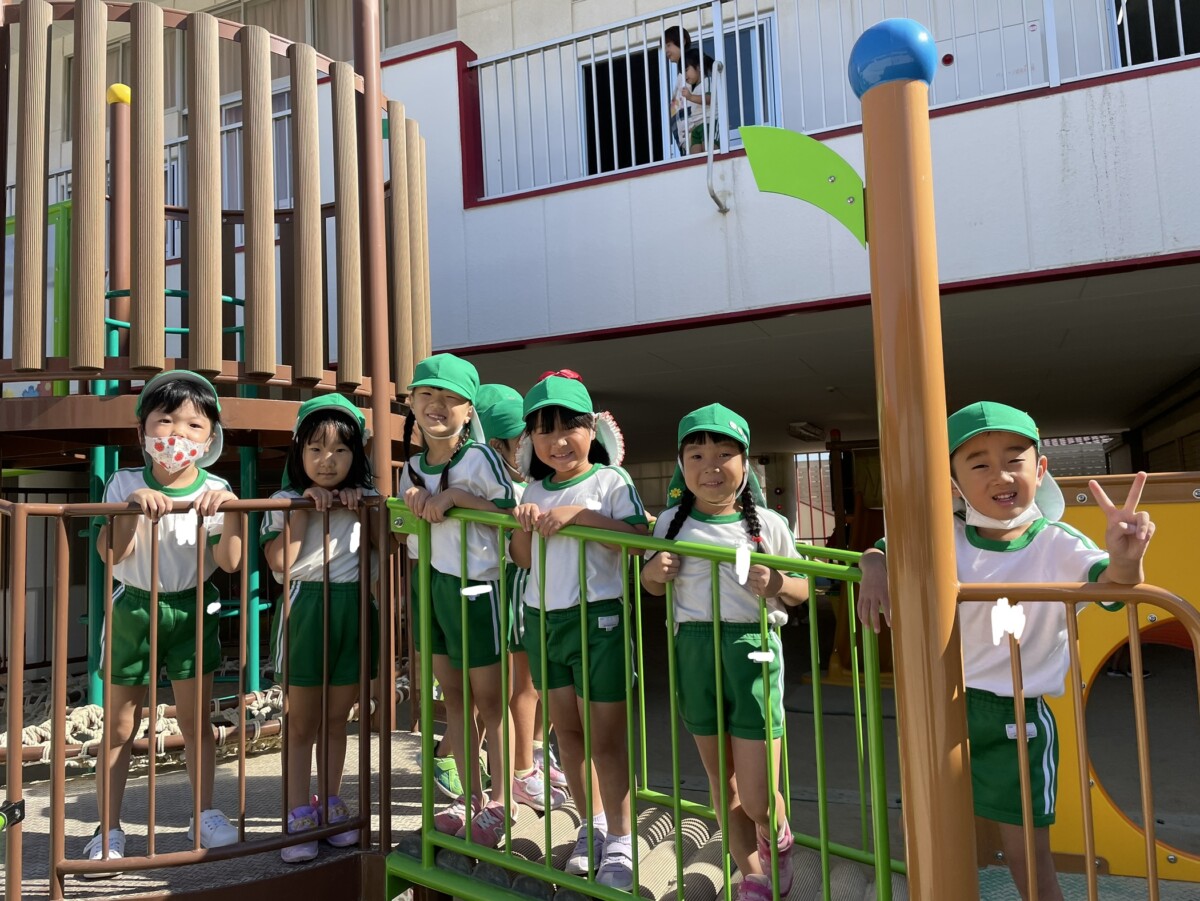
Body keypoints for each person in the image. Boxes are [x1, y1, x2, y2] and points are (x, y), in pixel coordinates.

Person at [856, 402, 1156, 901]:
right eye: (979, 464)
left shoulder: (1058, 543)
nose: (1000, 474)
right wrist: (872, 565)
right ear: (953, 483)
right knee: (927, 836)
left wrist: (1127, 559)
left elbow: (1114, 587)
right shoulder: (944, 537)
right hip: (942, 707)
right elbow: (883, 548)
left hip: (1017, 718)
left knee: (1027, 857)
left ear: (1040, 469)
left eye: (1015, 459)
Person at [640, 405, 807, 901]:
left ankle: (776, 838)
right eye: (696, 455)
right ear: (681, 463)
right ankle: (753, 874)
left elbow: (802, 589)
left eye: (724, 454)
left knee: (758, 797)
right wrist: (654, 573)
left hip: (753, 653)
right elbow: (650, 585)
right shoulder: (669, 522)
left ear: (745, 462)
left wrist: (776, 583)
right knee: (722, 782)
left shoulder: (769, 524)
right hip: (693, 654)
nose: (710, 466)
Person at [85, 371, 244, 872]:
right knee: (119, 725)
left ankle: (204, 813)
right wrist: (131, 509)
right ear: (143, 430)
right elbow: (111, 553)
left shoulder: (216, 487)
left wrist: (233, 512)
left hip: (193, 607)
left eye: (194, 425)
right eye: (166, 420)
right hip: (134, 606)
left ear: (210, 438)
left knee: (196, 720)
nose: (178, 434)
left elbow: (230, 561)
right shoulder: (124, 482)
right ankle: (108, 827)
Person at [509, 371, 648, 889]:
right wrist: (524, 522)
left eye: (570, 426)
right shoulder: (532, 488)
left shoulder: (611, 482)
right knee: (567, 735)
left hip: (599, 620)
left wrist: (580, 516)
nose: (558, 440)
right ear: (531, 438)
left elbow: (636, 539)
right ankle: (592, 827)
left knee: (606, 739)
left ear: (593, 429)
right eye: (544, 430)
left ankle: (622, 839)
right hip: (543, 621)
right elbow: (523, 558)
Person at [398, 354, 519, 847]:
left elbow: (510, 515)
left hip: (476, 587)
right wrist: (409, 509)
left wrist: (456, 499)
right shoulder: (409, 467)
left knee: (491, 701)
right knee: (454, 701)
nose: (437, 405)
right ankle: (470, 798)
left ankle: (503, 802)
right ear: (411, 403)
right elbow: (403, 532)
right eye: (427, 394)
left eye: (451, 398)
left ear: (469, 411)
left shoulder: (481, 459)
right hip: (429, 584)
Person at [261, 394, 380, 862]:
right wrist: (304, 510)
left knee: (336, 718)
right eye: (315, 449)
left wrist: (365, 509)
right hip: (304, 606)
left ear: (357, 454)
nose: (327, 460)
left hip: (354, 606)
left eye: (340, 450)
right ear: (299, 451)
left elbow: (384, 550)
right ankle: (297, 813)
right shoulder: (283, 500)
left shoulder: (366, 498)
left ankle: (329, 803)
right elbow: (280, 562)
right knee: (301, 721)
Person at [476, 383, 568, 811]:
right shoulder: (504, 490)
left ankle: (533, 756)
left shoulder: (535, 485)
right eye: (524, 441)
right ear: (499, 447)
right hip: (518, 588)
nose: (536, 449)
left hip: (542, 589)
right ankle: (521, 771)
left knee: (543, 683)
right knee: (525, 686)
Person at [681, 48, 719, 155]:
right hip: (696, 127)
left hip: (709, 123)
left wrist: (690, 97)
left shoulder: (708, 81)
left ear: (698, 67)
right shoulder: (694, 89)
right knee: (695, 156)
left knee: (709, 151)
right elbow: (697, 113)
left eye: (686, 70)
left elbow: (709, 99)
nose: (684, 75)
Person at [664, 25, 693, 156]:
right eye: (665, 47)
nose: (666, 50)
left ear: (682, 41)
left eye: (669, 45)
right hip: (685, 143)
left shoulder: (693, 70)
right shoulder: (681, 75)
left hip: (694, 140)